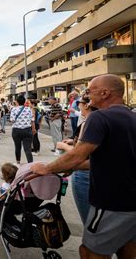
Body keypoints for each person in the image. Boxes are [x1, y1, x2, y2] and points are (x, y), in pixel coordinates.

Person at [30, 74, 136, 259]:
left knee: (89, 251)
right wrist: (74, 167)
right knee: (126, 247)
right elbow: (114, 159)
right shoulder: (131, 117)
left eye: (90, 91)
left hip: (111, 201)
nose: (86, 96)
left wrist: (46, 168)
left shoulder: (100, 117)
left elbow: (77, 154)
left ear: (104, 93)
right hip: (131, 200)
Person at [55, 94, 96, 224]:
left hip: (84, 174)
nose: (79, 107)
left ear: (86, 105)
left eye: (80, 104)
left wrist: (63, 146)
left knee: (88, 219)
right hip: (93, 171)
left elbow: (79, 154)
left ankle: (90, 243)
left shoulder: (89, 122)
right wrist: (73, 141)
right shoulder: (101, 121)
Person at [10, 95, 35, 165]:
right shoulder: (29, 109)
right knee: (28, 148)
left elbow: (12, 120)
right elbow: (32, 120)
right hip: (27, 130)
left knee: (17, 147)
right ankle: (30, 164)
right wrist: (33, 129)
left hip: (16, 130)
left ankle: (18, 163)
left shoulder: (14, 109)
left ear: (17, 102)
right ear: (24, 102)